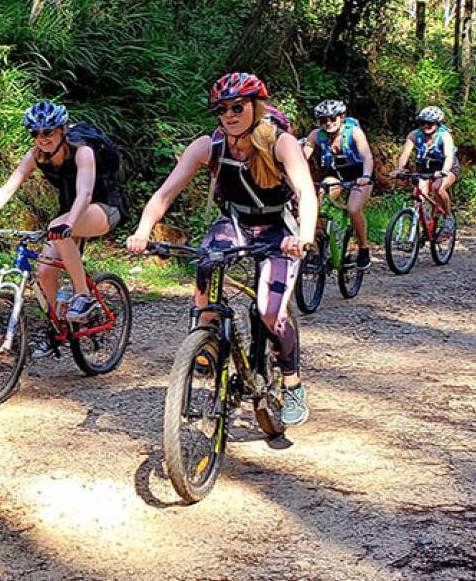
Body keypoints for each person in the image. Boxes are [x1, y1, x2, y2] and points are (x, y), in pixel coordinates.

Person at [126, 72, 317, 426]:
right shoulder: (209, 145)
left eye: (237, 107)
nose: (229, 115)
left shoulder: (281, 142)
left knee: (270, 312)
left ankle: (292, 383)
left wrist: (303, 236)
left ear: (256, 106)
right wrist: (143, 230)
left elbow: (306, 191)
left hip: (278, 228)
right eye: (222, 109)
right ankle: (207, 341)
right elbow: (166, 193)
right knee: (206, 264)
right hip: (234, 222)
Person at [0, 100, 123, 356]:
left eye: (48, 132)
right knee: (44, 272)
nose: (41, 138)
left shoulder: (82, 151)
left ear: (62, 130)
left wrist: (69, 223)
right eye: (35, 133)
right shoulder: (36, 155)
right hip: (68, 215)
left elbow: (85, 194)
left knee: (57, 227)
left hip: (103, 208)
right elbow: (10, 186)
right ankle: (58, 329)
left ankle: (83, 296)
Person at [302, 100, 374, 269]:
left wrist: (365, 176)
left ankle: (364, 248)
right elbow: (302, 157)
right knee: (317, 205)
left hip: (359, 175)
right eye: (323, 120)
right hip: (336, 176)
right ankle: (319, 248)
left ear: (342, 117)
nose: (328, 123)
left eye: (333, 118)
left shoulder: (354, 132)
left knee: (353, 209)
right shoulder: (316, 135)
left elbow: (367, 157)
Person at [392, 106, 460, 236]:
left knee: (438, 188)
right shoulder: (414, 135)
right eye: (423, 122)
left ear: (438, 123)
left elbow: (449, 156)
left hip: (447, 166)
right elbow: (405, 154)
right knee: (419, 195)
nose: (426, 126)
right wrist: (399, 169)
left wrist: (444, 171)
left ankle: (448, 217)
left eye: (430, 123)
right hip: (426, 167)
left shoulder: (444, 136)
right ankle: (424, 225)